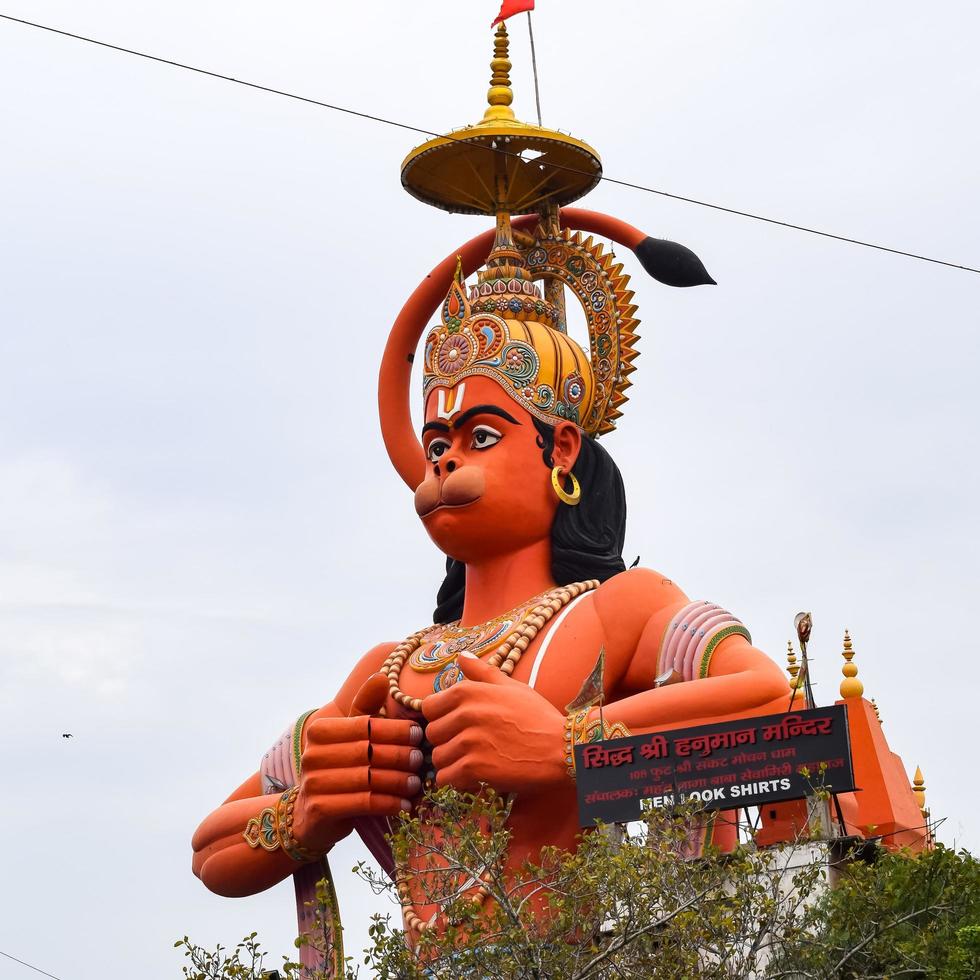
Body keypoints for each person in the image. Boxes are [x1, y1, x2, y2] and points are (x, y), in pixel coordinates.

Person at [191, 231, 790, 972]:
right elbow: (212, 845)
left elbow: (764, 695)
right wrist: (307, 812)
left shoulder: (618, 610)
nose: (444, 458)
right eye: (436, 439)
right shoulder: (391, 668)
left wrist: (567, 746)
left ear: (560, 449)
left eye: (479, 435)